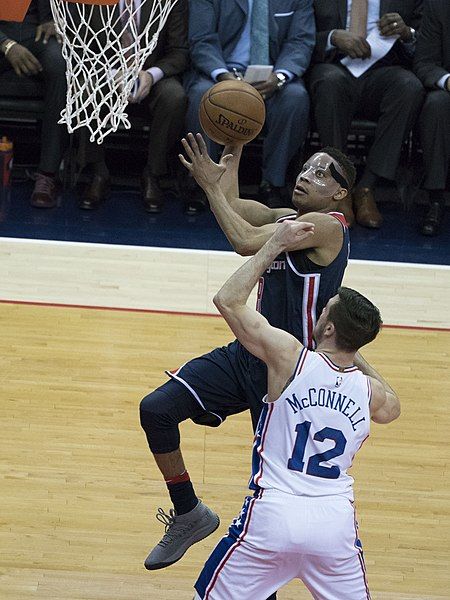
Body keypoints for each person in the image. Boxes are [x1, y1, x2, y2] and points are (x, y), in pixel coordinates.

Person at [140, 132, 356, 584]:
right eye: (305, 166)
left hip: (290, 374)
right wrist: (234, 149)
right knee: (156, 410)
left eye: (321, 173)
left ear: (339, 192)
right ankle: (189, 512)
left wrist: (208, 187)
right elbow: (238, 209)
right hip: (247, 354)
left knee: (267, 489)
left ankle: (256, 583)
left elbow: (243, 241)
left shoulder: (326, 226)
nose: (306, 175)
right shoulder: (287, 218)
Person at [193, 220, 400, 599]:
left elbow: (227, 299)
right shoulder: (370, 392)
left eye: (327, 309)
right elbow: (393, 408)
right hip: (333, 528)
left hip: (272, 516)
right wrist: (353, 354)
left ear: (328, 328)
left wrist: (273, 245)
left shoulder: (289, 358)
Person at [183, 0, 315, 212]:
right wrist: (224, 76)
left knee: (295, 97)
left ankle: (273, 183)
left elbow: (300, 42)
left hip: (272, 75)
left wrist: (280, 76)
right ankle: (202, 182)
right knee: (202, 95)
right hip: (221, 71)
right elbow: (202, 40)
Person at [308, 0, 424, 228]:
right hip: (334, 66)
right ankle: (339, 185)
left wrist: (406, 33)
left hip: (383, 70)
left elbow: (427, 38)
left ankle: (367, 187)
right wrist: (331, 37)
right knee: (329, 82)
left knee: (409, 86)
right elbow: (296, 34)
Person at [79, 0, 189, 212]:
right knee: (87, 90)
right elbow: (79, 43)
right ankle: (98, 172)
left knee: (175, 96)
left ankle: (153, 174)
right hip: (104, 71)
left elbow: (179, 52)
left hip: (153, 73)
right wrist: (111, 73)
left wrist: (151, 75)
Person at [0, 0, 67, 208]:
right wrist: (6, 44)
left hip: (35, 30)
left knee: (60, 64)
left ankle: (47, 174)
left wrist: (55, 21)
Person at [413, 0, 449, 236]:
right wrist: (447, 81)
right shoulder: (440, 6)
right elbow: (424, 62)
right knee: (437, 105)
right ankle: (435, 199)